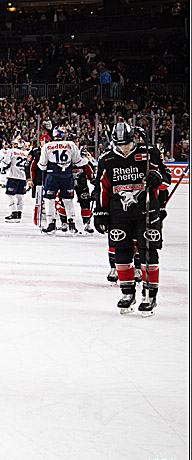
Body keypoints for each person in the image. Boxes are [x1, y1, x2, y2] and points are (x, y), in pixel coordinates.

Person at [93, 122, 170, 315]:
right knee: (121, 254)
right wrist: (100, 212)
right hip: (119, 215)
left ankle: (150, 295)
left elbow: (166, 179)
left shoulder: (148, 153)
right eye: (120, 144)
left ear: (134, 138)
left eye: (127, 143)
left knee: (148, 252)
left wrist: (157, 179)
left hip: (146, 213)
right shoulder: (107, 159)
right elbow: (101, 188)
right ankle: (127, 293)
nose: (124, 148)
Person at [37, 127, 88, 235]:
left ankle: (51, 223)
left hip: (52, 175)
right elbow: (78, 161)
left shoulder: (47, 146)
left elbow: (42, 165)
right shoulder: (71, 144)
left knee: (49, 199)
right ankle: (72, 223)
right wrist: (86, 159)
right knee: (68, 200)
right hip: (67, 175)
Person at [0, 137, 30, 222]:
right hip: (23, 177)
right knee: (20, 196)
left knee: (10, 195)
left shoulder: (11, 151)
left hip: (13, 176)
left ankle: (13, 213)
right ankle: (19, 213)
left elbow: (5, 163)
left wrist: (1, 165)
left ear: (16, 144)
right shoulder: (26, 153)